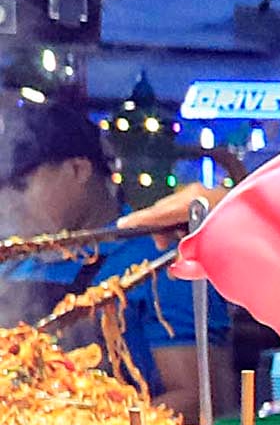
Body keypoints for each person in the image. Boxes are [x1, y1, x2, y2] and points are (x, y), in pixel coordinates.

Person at [0, 94, 217, 399]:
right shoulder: (12, 263)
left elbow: (196, 397)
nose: (9, 204)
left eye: (21, 187)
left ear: (78, 170)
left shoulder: (162, 256)